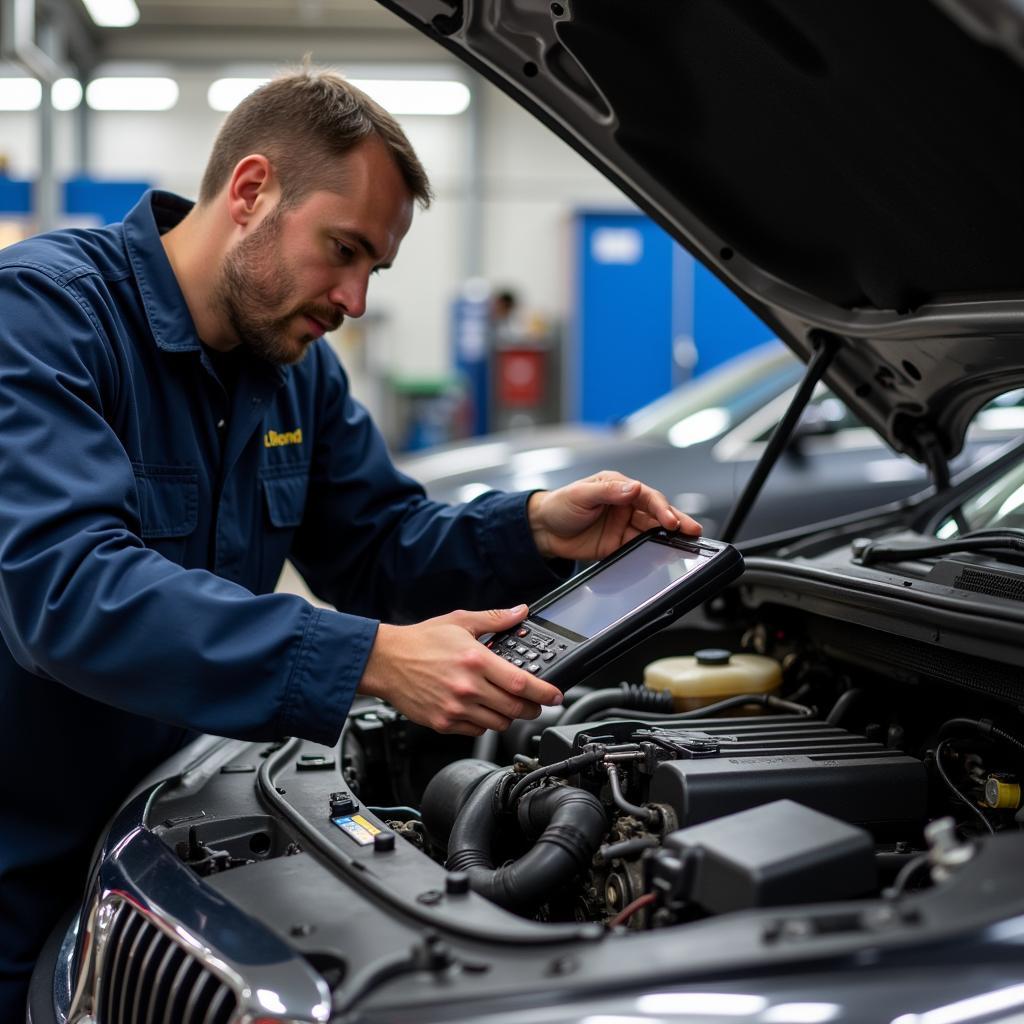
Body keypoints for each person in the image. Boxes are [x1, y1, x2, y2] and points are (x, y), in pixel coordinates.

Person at [0, 67, 699, 1013]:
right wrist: (367, 658)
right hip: (18, 858)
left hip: (157, 830)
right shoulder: (44, 318)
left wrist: (534, 527)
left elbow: (378, 543)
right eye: (344, 249)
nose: (357, 298)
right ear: (250, 192)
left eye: (375, 267)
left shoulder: (294, 375)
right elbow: (67, 590)